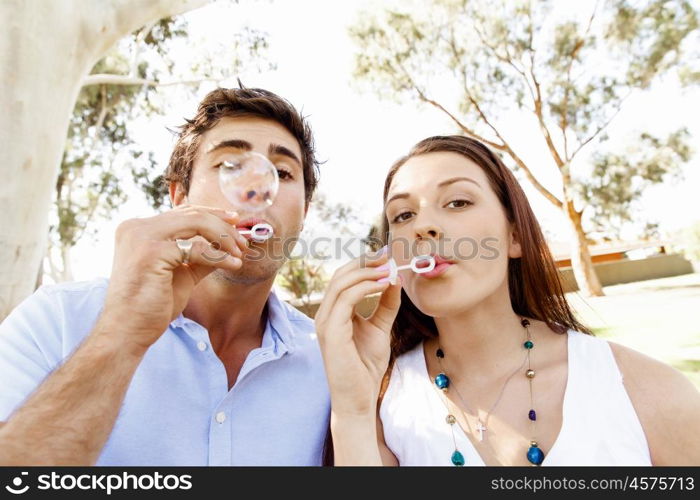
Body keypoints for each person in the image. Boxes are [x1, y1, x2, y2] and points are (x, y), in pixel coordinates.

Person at [315, 135, 700, 466]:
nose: (421, 226)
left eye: (458, 202)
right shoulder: (380, 406)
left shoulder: (648, 389)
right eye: (402, 215)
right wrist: (353, 411)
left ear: (515, 237)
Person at [0, 86, 330, 465]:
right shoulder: (54, 320)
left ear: (304, 211)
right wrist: (122, 332)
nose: (256, 189)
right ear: (179, 197)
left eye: (282, 172)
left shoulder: (330, 363)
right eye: (230, 166)